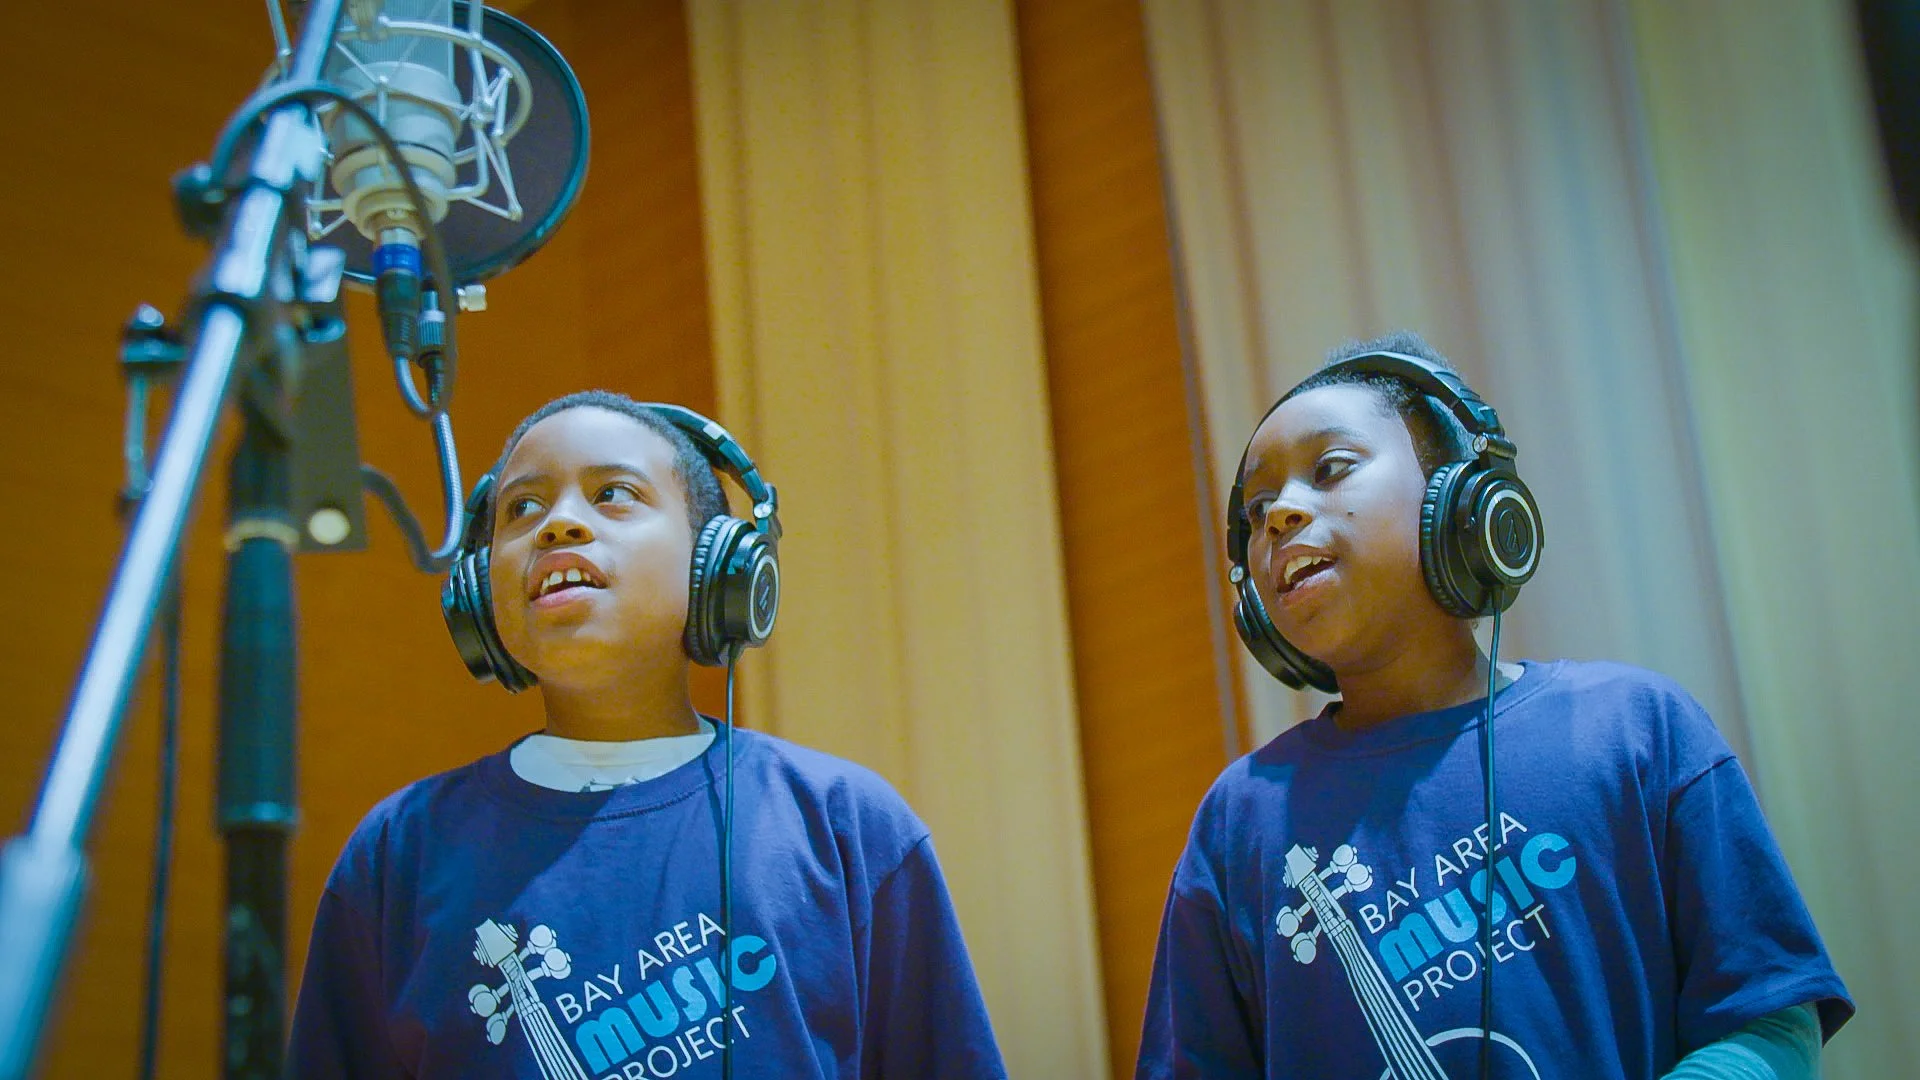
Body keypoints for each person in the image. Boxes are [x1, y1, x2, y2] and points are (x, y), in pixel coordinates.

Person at [1136, 332, 1851, 1079]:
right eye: (1257, 507)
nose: (1280, 512)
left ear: (1461, 499)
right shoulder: (1239, 819)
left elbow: (1769, 1018)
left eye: (1331, 468)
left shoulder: (1634, 726)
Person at [289, 390, 1007, 1079]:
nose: (559, 524)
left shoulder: (845, 822)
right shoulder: (398, 853)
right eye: (523, 507)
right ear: (480, 592)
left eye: (614, 495)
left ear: (717, 564)